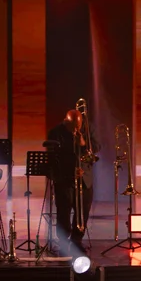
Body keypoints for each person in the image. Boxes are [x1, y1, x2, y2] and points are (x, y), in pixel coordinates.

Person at [46, 109, 100, 255]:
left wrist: (83, 143)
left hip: (85, 178)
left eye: (78, 126)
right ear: (66, 122)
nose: (76, 129)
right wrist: (70, 171)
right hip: (64, 179)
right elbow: (53, 159)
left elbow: (97, 147)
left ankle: (76, 241)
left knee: (83, 212)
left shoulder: (89, 128)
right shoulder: (56, 132)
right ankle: (63, 243)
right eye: (73, 127)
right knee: (63, 212)